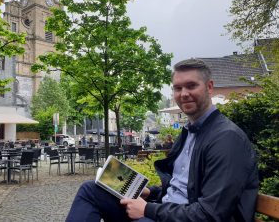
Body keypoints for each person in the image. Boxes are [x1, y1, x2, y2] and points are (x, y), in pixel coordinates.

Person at [66, 58, 259, 222]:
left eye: (191, 86)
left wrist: (148, 210)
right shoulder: (189, 133)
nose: (184, 94)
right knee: (90, 190)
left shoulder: (227, 139)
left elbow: (211, 214)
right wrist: (150, 193)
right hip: (165, 213)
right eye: (178, 88)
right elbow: (182, 190)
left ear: (209, 87)